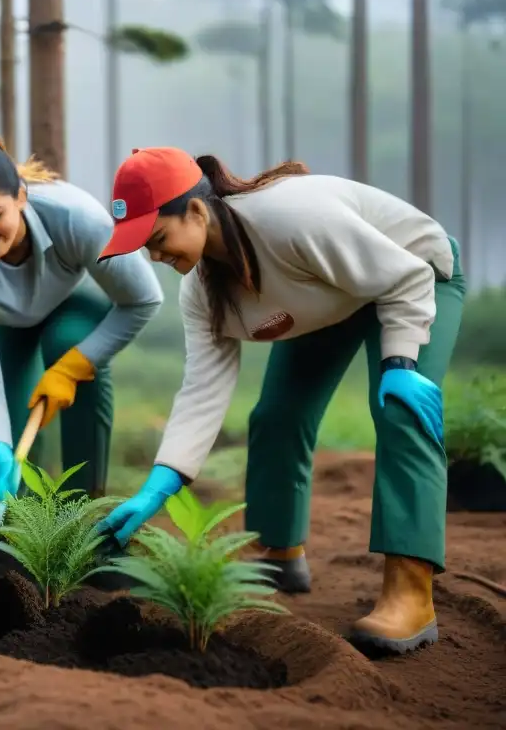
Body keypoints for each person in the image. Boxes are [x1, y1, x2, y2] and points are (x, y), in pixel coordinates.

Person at [96, 146, 465, 656]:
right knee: (276, 417)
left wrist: (400, 363)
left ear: (197, 211)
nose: (155, 258)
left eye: (157, 240)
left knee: (403, 412)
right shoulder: (202, 289)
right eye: (144, 248)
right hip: (330, 298)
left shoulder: (291, 219)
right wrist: (154, 491)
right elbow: (203, 388)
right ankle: (278, 553)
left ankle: (410, 591)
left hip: (414, 278)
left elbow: (406, 277)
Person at [0, 130, 163, 504]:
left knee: (67, 343)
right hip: (8, 325)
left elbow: (143, 299)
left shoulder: (77, 218)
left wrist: (75, 365)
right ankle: (25, 528)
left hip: (71, 307)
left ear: (21, 196)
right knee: (8, 429)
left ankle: (83, 512)